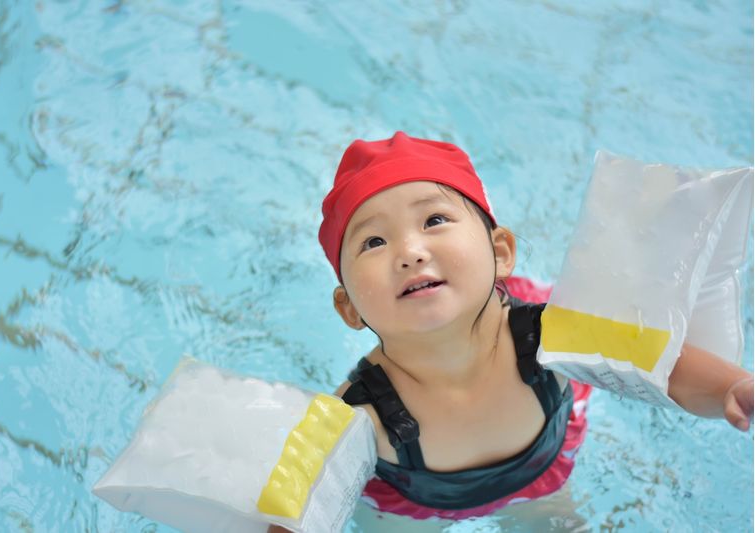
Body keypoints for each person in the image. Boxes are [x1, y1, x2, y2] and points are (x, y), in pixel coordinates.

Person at [270, 132, 753, 530]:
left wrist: (731, 387)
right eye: (374, 241)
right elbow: (299, 500)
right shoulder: (357, 409)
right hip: (408, 505)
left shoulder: (552, 336)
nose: (411, 251)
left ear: (501, 251)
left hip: (540, 475)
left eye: (434, 219)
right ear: (349, 307)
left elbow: (662, 364)